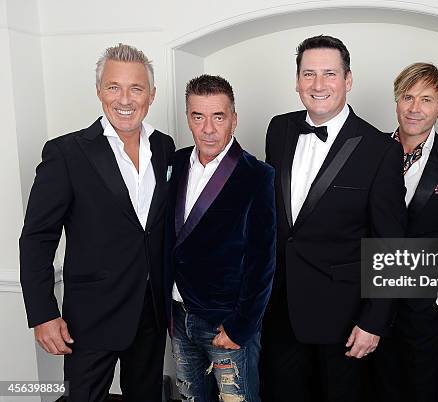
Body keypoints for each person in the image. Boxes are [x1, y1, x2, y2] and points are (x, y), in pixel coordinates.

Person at [19, 43, 175, 401]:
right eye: (113, 87)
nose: (125, 99)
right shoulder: (66, 153)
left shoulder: (165, 148)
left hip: (150, 314)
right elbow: (37, 238)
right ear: (99, 91)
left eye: (136, 88)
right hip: (89, 319)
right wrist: (43, 314)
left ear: (151, 95)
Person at [262, 35, 407, 402]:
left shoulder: (381, 150)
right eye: (308, 74)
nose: (318, 85)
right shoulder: (278, 130)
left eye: (329, 73)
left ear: (348, 80)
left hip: (345, 320)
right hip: (281, 312)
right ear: (296, 81)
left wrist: (373, 321)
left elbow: (390, 245)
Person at [371, 62, 438, 402]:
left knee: (425, 388)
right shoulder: (367, 151)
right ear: (396, 101)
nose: (415, 108)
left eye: (427, 99)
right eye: (408, 97)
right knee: (372, 386)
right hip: (369, 297)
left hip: (425, 306)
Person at [164, 74, 276, 402]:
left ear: (234, 120)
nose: (208, 128)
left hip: (225, 323)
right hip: (179, 314)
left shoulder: (257, 175)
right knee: (191, 399)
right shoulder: (174, 163)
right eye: (198, 116)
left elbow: (263, 260)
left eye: (218, 116)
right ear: (188, 118)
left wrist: (240, 326)